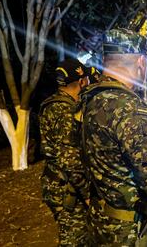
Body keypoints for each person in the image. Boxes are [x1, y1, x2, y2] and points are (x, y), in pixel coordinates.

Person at [79, 31, 147, 245]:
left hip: (100, 221)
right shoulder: (130, 110)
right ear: (141, 62)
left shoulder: (91, 99)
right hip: (129, 231)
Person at [39, 58, 90, 246]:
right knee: (74, 239)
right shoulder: (66, 112)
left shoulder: (51, 104)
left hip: (55, 182)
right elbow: (70, 160)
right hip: (67, 188)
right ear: (82, 81)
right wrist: (86, 195)